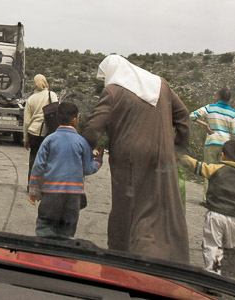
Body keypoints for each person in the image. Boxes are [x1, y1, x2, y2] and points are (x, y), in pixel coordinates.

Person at [81, 54, 192, 264]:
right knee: (158, 208)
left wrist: (81, 151)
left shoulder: (113, 91)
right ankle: (169, 259)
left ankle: (123, 258)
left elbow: (93, 129)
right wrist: (177, 148)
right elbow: (183, 117)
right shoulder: (161, 85)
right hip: (162, 157)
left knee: (128, 209)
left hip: (128, 161)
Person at [178, 140, 235, 273]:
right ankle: (220, 270)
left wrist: (181, 156)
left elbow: (196, 166)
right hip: (234, 221)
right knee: (227, 248)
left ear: (223, 155)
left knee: (212, 246)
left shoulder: (215, 169)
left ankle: (213, 274)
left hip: (215, 216)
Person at [28, 102, 103, 238]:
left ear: (57, 118)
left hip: (51, 193)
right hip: (73, 196)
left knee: (45, 226)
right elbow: (88, 168)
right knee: (67, 231)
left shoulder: (49, 140)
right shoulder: (81, 142)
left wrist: (33, 189)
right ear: (75, 120)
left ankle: (44, 254)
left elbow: (38, 166)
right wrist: (99, 160)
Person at [190, 88, 235, 199]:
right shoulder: (233, 113)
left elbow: (192, 116)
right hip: (226, 146)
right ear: (229, 99)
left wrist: (206, 125)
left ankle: (207, 198)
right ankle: (217, 198)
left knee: (208, 170)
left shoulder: (210, 108)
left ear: (218, 96)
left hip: (211, 143)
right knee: (222, 173)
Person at [23, 75, 57, 189]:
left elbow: (27, 122)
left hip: (33, 132)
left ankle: (31, 185)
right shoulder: (51, 95)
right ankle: (45, 186)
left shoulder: (31, 99)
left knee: (33, 159)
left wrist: (25, 139)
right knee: (48, 159)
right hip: (48, 131)